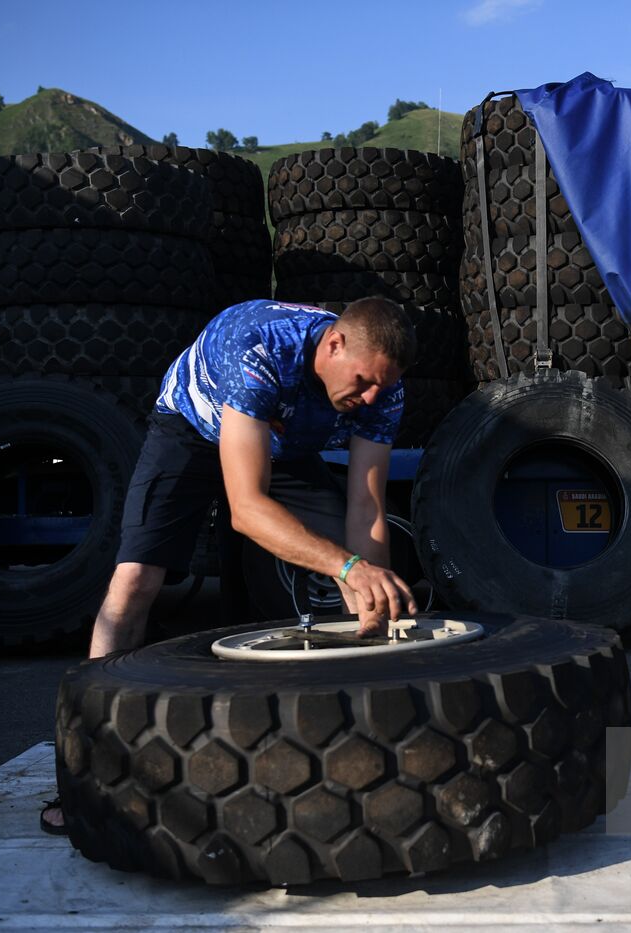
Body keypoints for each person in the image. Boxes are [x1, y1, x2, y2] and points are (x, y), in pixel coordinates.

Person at [42, 295, 419, 834]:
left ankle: (367, 748)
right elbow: (246, 510)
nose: (372, 395)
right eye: (362, 381)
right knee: (134, 583)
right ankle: (82, 774)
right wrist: (348, 566)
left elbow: (367, 508)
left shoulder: (383, 388)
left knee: (355, 576)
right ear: (334, 344)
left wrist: (371, 593)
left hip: (283, 446)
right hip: (193, 429)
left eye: (382, 385)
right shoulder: (260, 348)